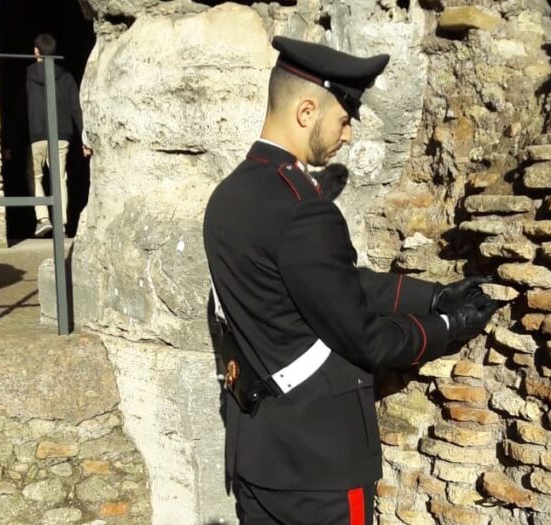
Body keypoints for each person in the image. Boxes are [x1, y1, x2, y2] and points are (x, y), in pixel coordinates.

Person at [203, 36, 500, 525]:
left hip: (256, 457)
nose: (346, 137)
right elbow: (367, 339)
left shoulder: (227, 197)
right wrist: (448, 325)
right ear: (305, 111)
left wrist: (431, 294)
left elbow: (328, 282)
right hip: (320, 470)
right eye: (343, 119)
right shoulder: (303, 208)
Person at [25, 33, 92, 237]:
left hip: (37, 134)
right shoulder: (67, 77)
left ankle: (43, 218)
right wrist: (85, 139)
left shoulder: (28, 75)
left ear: (36, 51)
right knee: (59, 179)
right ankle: (61, 224)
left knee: (34, 176)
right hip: (62, 135)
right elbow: (76, 110)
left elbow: (21, 108)